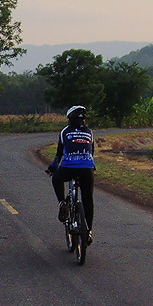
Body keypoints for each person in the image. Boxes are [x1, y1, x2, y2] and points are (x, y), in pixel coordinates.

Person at [45, 105, 96, 244]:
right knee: (88, 199)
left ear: (70, 119)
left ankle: (62, 203)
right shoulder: (89, 132)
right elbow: (91, 152)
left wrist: (52, 168)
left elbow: (59, 154)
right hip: (87, 168)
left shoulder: (65, 132)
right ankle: (89, 231)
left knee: (56, 179)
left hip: (68, 168)